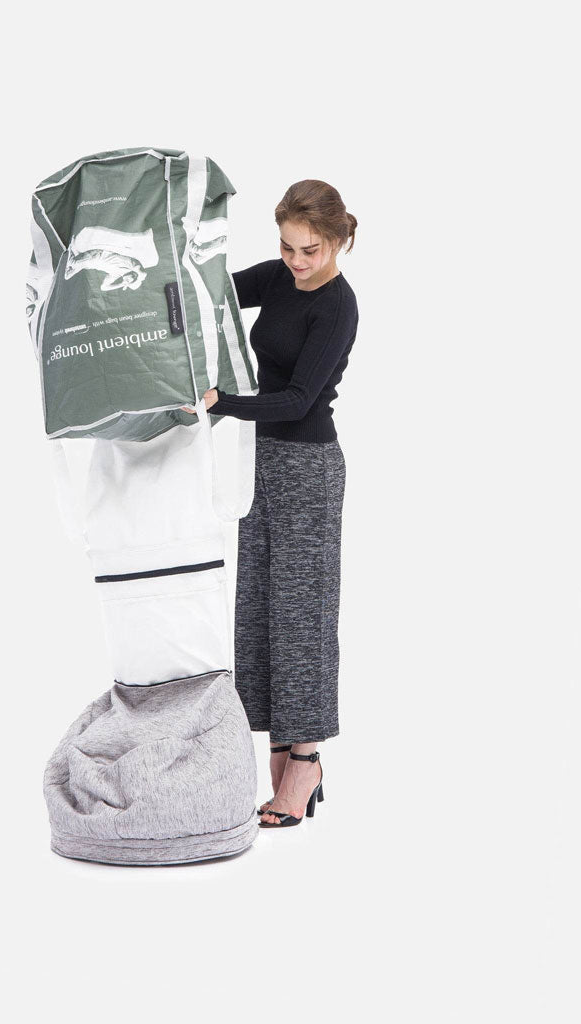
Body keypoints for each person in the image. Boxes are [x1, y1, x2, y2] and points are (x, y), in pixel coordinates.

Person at [182, 179, 359, 829]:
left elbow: (298, 400)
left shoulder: (337, 307)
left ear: (337, 241)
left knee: (302, 616)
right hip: (262, 463)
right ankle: (279, 750)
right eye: (286, 247)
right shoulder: (282, 278)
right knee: (258, 607)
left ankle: (306, 760)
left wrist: (221, 402)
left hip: (308, 470)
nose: (296, 262)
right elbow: (215, 290)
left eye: (310, 250)